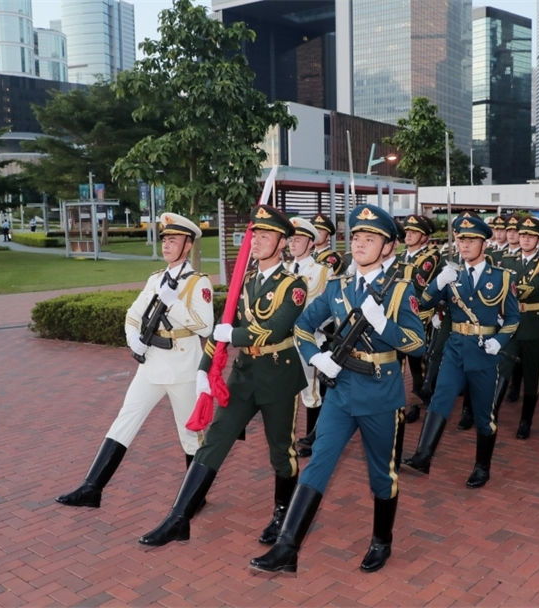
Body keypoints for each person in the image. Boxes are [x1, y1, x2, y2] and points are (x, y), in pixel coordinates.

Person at [250, 204, 426, 574]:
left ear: (389, 247)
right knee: (318, 465)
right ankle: (287, 546)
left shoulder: (399, 291)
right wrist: (316, 358)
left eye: (371, 238)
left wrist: (385, 327)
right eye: (358, 237)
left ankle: (382, 541)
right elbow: (301, 328)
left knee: (382, 474)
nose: (361, 244)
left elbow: (418, 344)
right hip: (342, 390)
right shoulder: (338, 287)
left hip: (380, 393)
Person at [138, 205, 308, 547]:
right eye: (255, 234)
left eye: (266, 235)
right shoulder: (245, 280)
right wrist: (205, 369)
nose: (257, 241)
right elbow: (223, 328)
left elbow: (274, 331)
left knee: (281, 451)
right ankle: (178, 517)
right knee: (215, 440)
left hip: (278, 374)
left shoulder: (294, 284)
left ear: (282, 242)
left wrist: (233, 336)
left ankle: (282, 514)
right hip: (244, 375)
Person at [56, 213, 213, 509]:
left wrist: (173, 303)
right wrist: (133, 338)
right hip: (151, 363)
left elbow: (205, 327)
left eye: (174, 240)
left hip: (182, 368)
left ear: (188, 245)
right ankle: (92, 488)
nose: (167, 245)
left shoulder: (197, 283)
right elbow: (133, 313)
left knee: (190, 434)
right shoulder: (155, 279)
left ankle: (196, 497)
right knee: (124, 421)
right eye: (165, 240)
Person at [403, 214, 519, 488]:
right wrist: (438, 283)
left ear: (484, 243)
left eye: (471, 240)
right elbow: (423, 305)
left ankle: (482, 466)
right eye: (460, 239)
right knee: (439, 400)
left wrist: (499, 341)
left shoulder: (502, 278)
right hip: (455, 349)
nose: (464, 245)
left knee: (483, 413)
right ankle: (423, 456)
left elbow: (513, 318)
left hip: (484, 353)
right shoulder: (451, 274)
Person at [492, 216, 539, 439]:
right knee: (502, 369)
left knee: (532, 375)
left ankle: (526, 421)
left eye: (531, 236)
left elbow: (535, 287)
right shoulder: (506, 260)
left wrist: (509, 290)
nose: (526, 239)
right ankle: (491, 414)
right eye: (523, 235)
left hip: (534, 324)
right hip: (510, 324)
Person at [285, 217, 334, 458]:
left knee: (311, 393)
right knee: (284, 392)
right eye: (291, 238)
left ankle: (311, 438)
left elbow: (329, 312)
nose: (293, 243)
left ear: (311, 242)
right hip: (283, 343)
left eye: (299, 239)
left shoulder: (323, 271)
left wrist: (309, 327)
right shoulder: (282, 270)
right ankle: (287, 438)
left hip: (309, 341)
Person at [398, 214, 442, 424]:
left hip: (419, 314)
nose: (408, 235)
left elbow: (416, 283)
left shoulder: (430, 257)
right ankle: (397, 401)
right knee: (396, 361)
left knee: (417, 362)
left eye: (414, 232)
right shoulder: (402, 256)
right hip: (398, 312)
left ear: (424, 237)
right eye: (407, 231)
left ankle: (417, 400)